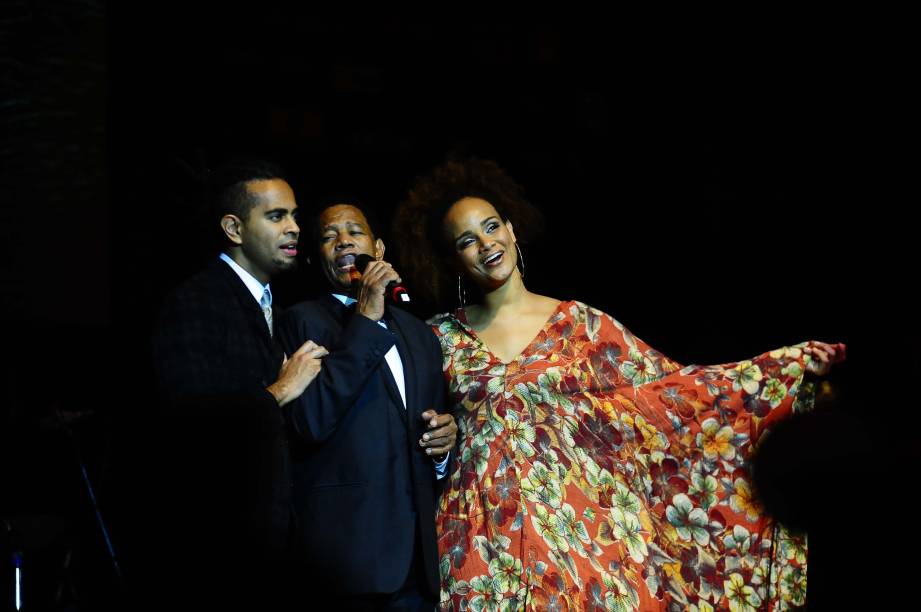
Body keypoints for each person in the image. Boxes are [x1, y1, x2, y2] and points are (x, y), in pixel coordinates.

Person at [393, 158, 845, 611]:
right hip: (480, 539)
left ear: (511, 230)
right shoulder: (438, 339)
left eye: (492, 227)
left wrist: (783, 368)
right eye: (468, 240)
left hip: (577, 536)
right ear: (453, 258)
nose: (486, 244)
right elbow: (419, 432)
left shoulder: (581, 325)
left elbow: (672, 392)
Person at [150, 160, 328, 608]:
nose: (294, 228)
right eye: (276, 216)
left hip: (279, 552)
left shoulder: (277, 308)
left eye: (294, 215)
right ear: (233, 227)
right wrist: (279, 392)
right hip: (220, 556)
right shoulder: (196, 299)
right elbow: (186, 419)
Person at [277, 198, 458, 610]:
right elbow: (310, 422)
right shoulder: (302, 321)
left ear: (378, 250)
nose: (343, 242)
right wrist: (366, 319)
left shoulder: (420, 334)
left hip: (419, 561)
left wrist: (444, 448)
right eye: (328, 237)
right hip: (349, 559)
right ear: (314, 258)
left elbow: (428, 429)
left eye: (354, 232)